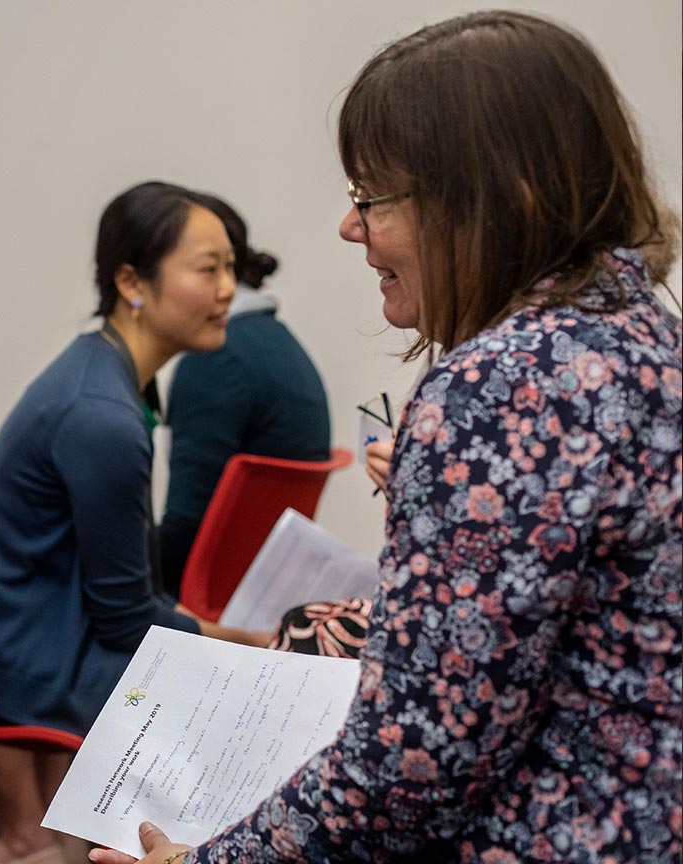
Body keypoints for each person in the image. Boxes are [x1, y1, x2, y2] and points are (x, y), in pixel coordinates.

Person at [92, 11, 680, 864]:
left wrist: (209, 861)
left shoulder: (502, 385)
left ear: (487, 198)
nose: (349, 228)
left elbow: (415, 761)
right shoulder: (643, 333)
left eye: (372, 199)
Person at [0, 182, 272, 864]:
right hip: (26, 668)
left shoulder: (110, 373)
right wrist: (238, 639)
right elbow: (129, 622)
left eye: (229, 270)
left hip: (32, 643)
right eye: (208, 268)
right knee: (244, 720)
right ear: (132, 280)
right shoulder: (102, 412)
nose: (227, 290)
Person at [156, 192, 330, 598]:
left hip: (199, 604)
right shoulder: (280, 342)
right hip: (257, 594)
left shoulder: (217, 359)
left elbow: (186, 525)